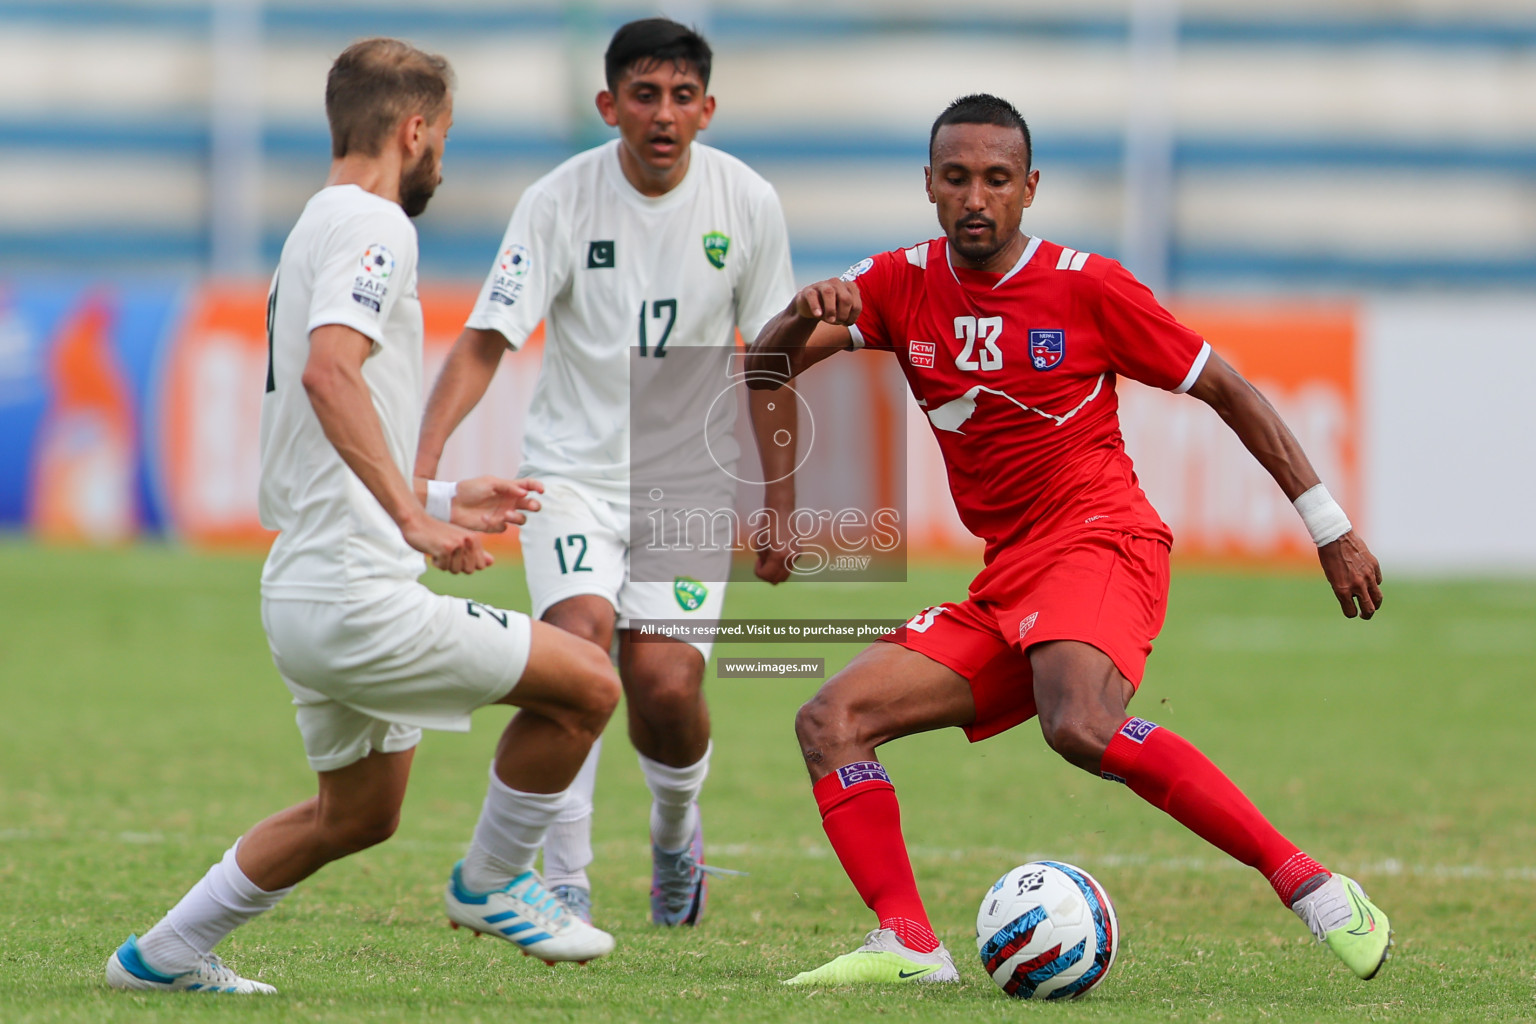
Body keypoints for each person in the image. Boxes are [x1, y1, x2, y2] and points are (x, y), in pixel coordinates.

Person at [746, 93, 1392, 988]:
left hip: (1102, 539)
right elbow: (765, 367)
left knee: (1079, 722)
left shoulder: (1088, 286)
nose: (978, 197)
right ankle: (908, 946)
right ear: (929, 185)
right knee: (832, 720)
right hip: (1010, 577)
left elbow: (1228, 388)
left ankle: (1316, 890)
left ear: (1030, 187)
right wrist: (792, 325)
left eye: (998, 180)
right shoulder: (894, 282)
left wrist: (1331, 528)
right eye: (959, 178)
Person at [105, 38, 620, 996]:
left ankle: (160, 958)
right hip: (356, 594)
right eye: (444, 139)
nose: (441, 161)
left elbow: (320, 414)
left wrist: (435, 497)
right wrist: (413, 524)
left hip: (306, 585)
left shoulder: (316, 225)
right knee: (588, 683)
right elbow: (327, 372)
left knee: (358, 816)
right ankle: (496, 880)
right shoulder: (378, 228)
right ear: (414, 130)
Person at [414, 18, 796, 927]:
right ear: (608, 104)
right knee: (578, 655)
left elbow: (774, 360)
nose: (662, 115)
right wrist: (419, 483)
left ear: (706, 109)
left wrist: (782, 504)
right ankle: (564, 877)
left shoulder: (747, 203)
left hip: (690, 486)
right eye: (642, 95)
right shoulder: (557, 200)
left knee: (665, 688)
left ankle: (675, 838)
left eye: (679, 97)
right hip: (571, 477)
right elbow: (487, 340)